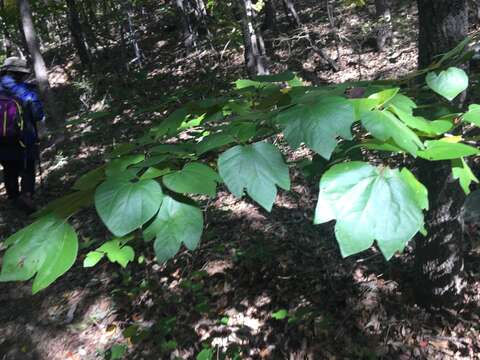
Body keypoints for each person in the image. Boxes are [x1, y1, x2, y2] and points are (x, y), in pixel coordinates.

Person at [0, 57, 45, 213]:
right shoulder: (26, 90)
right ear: (19, 73)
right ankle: (26, 195)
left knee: (8, 168)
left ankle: (13, 199)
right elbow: (38, 113)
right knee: (27, 168)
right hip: (24, 138)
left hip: (2, 141)